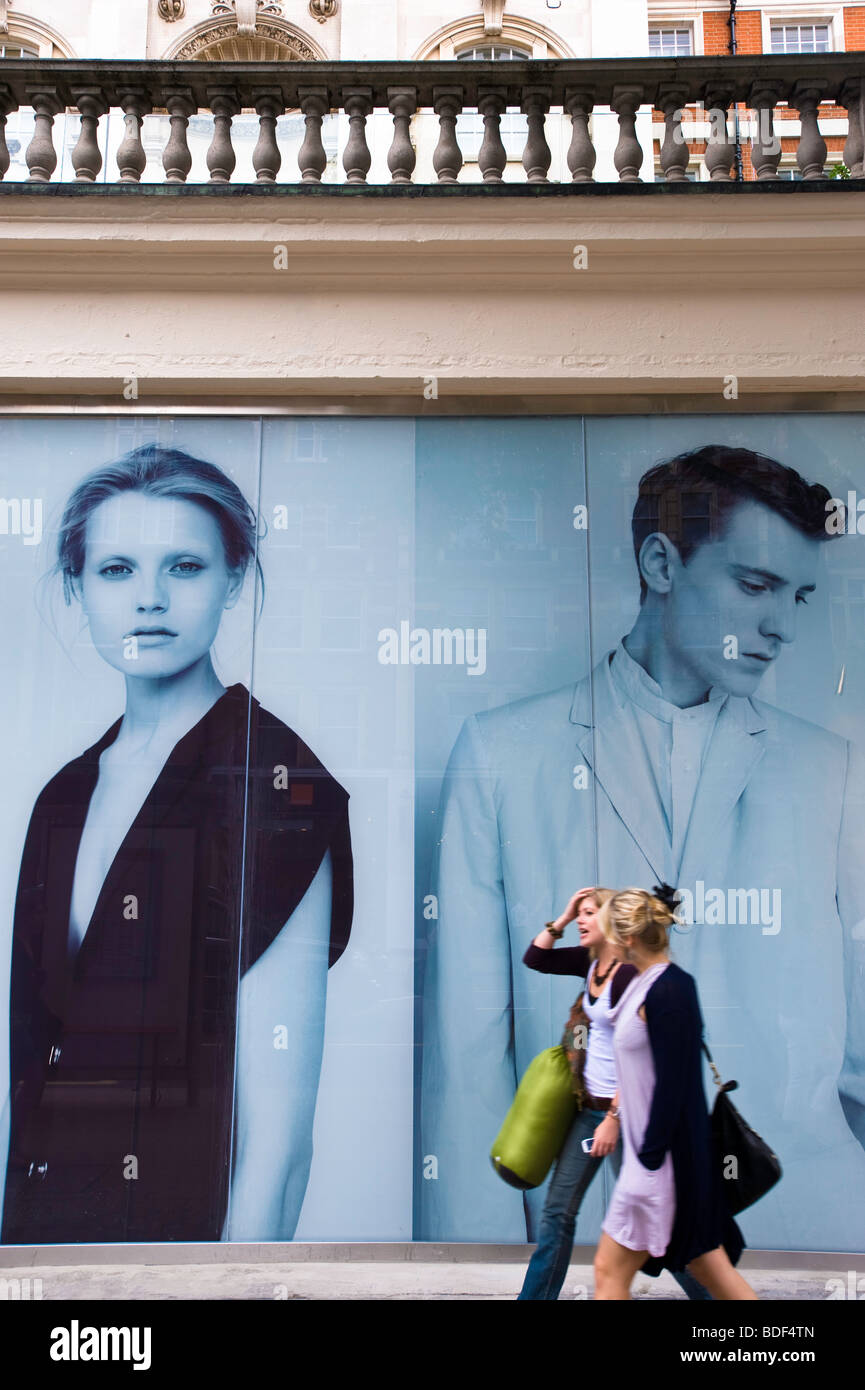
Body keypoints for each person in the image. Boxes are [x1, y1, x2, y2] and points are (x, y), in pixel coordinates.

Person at [420, 444, 865, 1247]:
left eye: (795, 595)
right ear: (660, 562)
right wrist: (476, 1271)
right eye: (754, 585)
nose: (782, 626)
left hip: (801, 1224)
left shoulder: (830, 769)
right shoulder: (502, 754)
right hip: (596, 1224)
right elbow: (466, 1060)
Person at [2, 444, 353, 1244]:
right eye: (117, 569)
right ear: (76, 588)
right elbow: (22, 1072)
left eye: (185, 567)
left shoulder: (276, 781)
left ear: (233, 579)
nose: (149, 600)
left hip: (176, 1255)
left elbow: (279, 1144)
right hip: (36, 1243)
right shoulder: (63, 793)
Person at [517, 887, 710, 1301]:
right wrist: (563, 917)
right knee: (557, 1212)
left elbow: (639, 1050)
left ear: (612, 924)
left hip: (623, 1116)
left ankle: (710, 1293)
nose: (582, 921)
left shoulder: (627, 975)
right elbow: (536, 958)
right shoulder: (592, 964)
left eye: (589, 914)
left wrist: (615, 1118)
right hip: (592, 1113)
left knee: (654, 1220)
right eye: (580, 914)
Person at [593, 885, 756, 1301]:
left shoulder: (671, 990)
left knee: (609, 1272)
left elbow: (676, 1087)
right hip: (654, 1163)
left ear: (628, 938)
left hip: (661, 1168)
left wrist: (647, 1162)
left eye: (611, 929)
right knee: (710, 1272)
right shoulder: (642, 984)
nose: (605, 936)